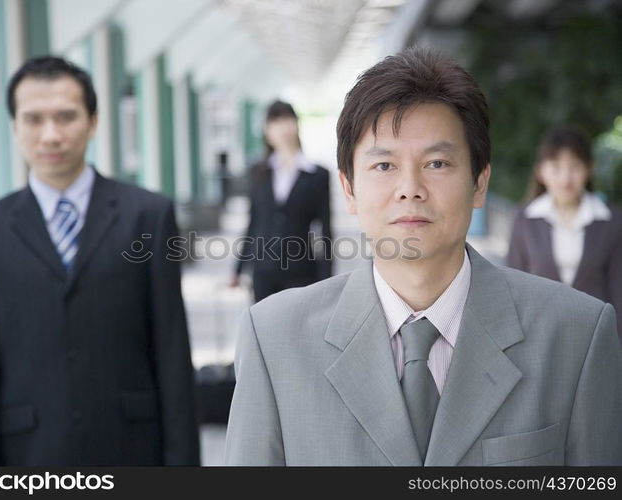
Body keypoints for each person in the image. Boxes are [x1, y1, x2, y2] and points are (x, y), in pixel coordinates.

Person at [225, 47, 622, 466]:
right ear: (349, 189)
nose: (410, 188)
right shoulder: (273, 340)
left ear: (479, 183)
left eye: (436, 162)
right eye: (384, 166)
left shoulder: (576, 335)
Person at [0, 56, 200, 466]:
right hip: (28, 455)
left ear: (93, 122)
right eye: (33, 119)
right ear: (14, 127)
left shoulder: (148, 215)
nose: (51, 135)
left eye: (66, 117)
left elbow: (171, 349)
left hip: (132, 448)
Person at [506, 126, 622, 338]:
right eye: (556, 167)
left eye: (574, 166)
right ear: (541, 171)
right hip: (539, 335)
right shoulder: (525, 218)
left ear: (589, 169)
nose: (565, 178)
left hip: (595, 335)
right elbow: (512, 285)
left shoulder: (612, 221)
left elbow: (618, 290)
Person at [230, 100, 332, 302]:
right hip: (263, 270)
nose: (282, 128)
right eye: (275, 122)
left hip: (301, 269)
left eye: (287, 119)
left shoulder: (317, 175)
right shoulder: (258, 173)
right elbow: (253, 223)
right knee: (264, 329)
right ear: (267, 131)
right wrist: (239, 269)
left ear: (296, 124)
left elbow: (325, 230)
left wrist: (326, 278)